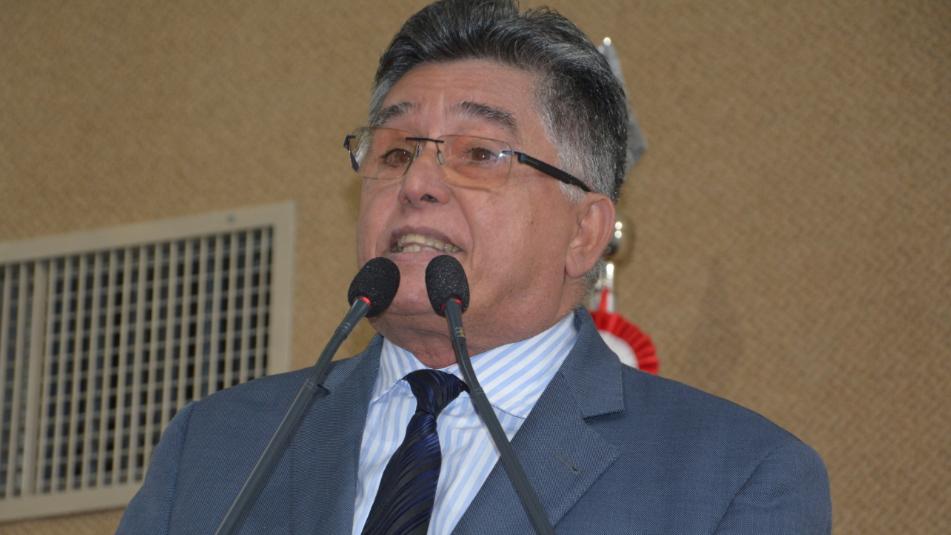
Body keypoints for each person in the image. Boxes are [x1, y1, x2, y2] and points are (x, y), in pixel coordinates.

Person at [118, 1, 831, 533]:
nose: (417, 183)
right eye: (396, 151)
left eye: (480, 154)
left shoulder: (734, 476)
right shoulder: (217, 447)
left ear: (584, 232)